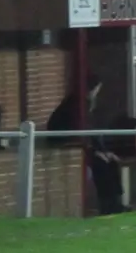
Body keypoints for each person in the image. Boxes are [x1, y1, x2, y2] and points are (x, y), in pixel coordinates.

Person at [48, 74, 125, 216]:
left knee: (111, 163)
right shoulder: (76, 105)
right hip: (67, 145)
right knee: (100, 165)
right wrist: (95, 152)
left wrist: (104, 151)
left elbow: (92, 131)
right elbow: (78, 132)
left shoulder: (86, 105)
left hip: (83, 146)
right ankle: (106, 204)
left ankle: (116, 201)